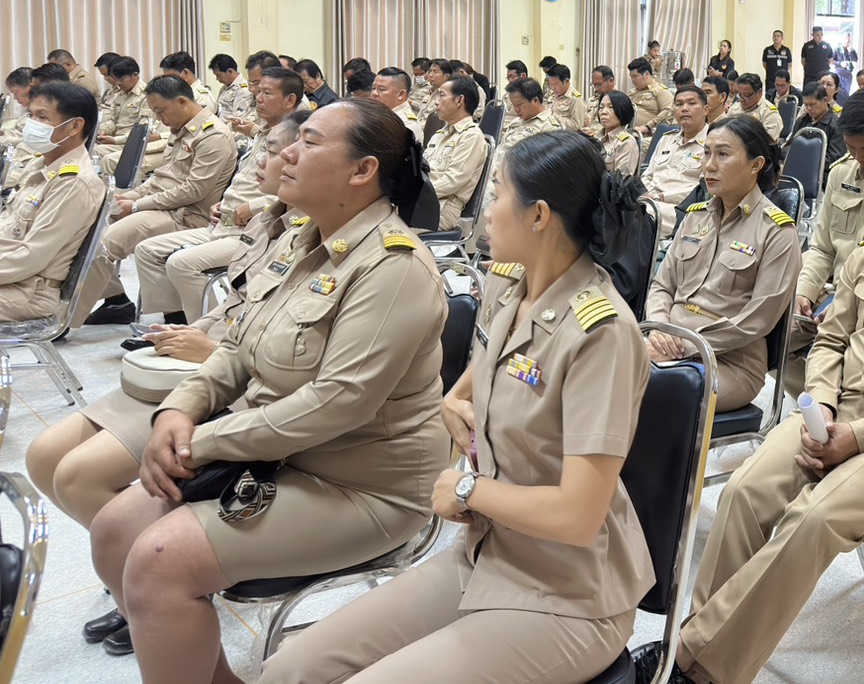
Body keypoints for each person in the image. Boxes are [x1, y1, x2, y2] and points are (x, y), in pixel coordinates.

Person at [257, 131, 651, 684]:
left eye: (496, 196)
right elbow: (480, 377)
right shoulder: (510, 285)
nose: (485, 214)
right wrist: (453, 400)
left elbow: (579, 516)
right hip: (489, 554)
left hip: (570, 592)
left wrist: (466, 489)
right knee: (290, 669)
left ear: (538, 216)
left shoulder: (601, 332)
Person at [631, 125, 864, 684]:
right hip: (837, 415)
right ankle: (706, 655)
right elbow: (831, 342)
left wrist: (855, 438)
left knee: (811, 517)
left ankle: (691, 660)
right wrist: (826, 412)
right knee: (742, 493)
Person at [87, 100, 448, 684]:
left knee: (161, 561)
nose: (287, 152)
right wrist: (180, 408)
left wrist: (199, 443)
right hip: (273, 452)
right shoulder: (302, 238)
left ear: (363, 172)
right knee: (113, 530)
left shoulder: (394, 267)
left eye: (308, 142)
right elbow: (237, 342)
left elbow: (337, 404)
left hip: (360, 483)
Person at [27, 114, 307, 653]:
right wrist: (195, 330)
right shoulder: (274, 222)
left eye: (278, 151)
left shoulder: (316, 239)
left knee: (79, 477)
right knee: (43, 458)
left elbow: (286, 353)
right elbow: (237, 302)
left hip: (230, 383)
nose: (264, 161)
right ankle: (129, 579)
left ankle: (145, 586)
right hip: (196, 371)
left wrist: (210, 349)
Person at [647, 116, 802, 411]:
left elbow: (758, 319)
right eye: (706, 153)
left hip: (730, 362)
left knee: (647, 389)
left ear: (756, 164)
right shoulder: (695, 217)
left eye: (723, 154)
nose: (709, 166)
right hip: (666, 341)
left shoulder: (776, 231)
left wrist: (685, 344)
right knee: (604, 366)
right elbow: (662, 285)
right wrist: (659, 328)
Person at [131, 67, 304, 323]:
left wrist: (254, 207)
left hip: (255, 231)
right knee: (147, 250)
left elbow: (301, 189)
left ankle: (203, 328)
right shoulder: (264, 133)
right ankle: (174, 321)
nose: (258, 97)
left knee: (181, 263)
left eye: (267, 92)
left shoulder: (296, 137)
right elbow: (244, 181)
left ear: (290, 100)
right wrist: (222, 203)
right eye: (258, 91)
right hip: (223, 223)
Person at [77, 75, 237, 326]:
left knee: (106, 242)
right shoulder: (181, 130)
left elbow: (193, 191)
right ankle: (115, 300)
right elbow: (160, 178)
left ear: (182, 101)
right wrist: (128, 197)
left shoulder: (212, 135)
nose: (159, 119)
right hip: (162, 207)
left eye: (161, 111)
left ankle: (64, 320)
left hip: (186, 216)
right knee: (88, 230)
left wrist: (137, 206)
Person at [792, 89, 864, 339]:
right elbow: (822, 249)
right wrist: (805, 292)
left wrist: (845, 306)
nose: (858, 157)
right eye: (849, 147)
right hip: (829, 293)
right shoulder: (841, 173)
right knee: (772, 331)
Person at [0, 83, 105, 323]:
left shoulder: (73, 183)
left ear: (75, 126)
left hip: (27, 291)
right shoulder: (42, 164)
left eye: (42, 117)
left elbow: (31, 257)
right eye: (31, 115)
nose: (32, 124)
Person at [642, 86, 709, 238]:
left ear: (705, 110)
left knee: (636, 216)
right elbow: (648, 174)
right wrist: (643, 193)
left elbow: (705, 190)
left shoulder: (713, 143)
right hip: (649, 201)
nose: (684, 108)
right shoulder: (666, 139)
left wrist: (662, 196)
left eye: (691, 103)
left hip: (680, 209)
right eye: (679, 104)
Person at [425, 76, 490, 230]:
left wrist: (417, 194)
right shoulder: (440, 134)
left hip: (444, 207)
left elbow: (453, 180)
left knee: (387, 228)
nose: (436, 101)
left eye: (441, 95)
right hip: (426, 201)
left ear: (459, 100)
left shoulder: (471, 136)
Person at [93, 55, 150, 173]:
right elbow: (113, 120)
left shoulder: (146, 95)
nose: (118, 83)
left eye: (121, 79)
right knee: (90, 149)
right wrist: (103, 131)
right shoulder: (120, 94)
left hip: (131, 143)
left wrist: (115, 140)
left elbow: (142, 131)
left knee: (96, 152)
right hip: (118, 140)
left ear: (135, 74)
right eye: (115, 78)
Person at [495, 78, 560, 166]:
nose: (516, 109)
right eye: (514, 105)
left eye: (519, 104)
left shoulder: (549, 128)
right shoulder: (516, 121)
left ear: (535, 100)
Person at [790, 83, 844, 169]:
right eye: (806, 104)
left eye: (812, 104)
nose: (809, 109)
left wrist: (805, 161)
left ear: (825, 100)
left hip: (822, 175)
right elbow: (791, 146)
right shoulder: (802, 121)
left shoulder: (836, 125)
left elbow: (834, 159)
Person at [596, 90, 642, 177]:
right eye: (601, 107)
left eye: (611, 107)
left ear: (623, 110)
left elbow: (621, 182)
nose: (604, 112)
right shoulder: (595, 138)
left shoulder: (626, 142)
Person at [731, 72, 783, 142]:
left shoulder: (769, 113)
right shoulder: (735, 107)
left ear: (759, 92)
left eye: (746, 95)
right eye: (739, 95)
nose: (741, 99)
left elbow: (766, 142)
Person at [628, 56, 675, 133]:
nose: (633, 80)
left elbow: (668, 110)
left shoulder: (659, 90)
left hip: (647, 135)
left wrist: (648, 126)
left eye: (635, 76)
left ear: (646, 74)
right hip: (629, 132)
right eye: (631, 77)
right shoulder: (633, 92)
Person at [208, 54, 255, 125]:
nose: (217, 79)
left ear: (230, 71)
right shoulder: (225, 88)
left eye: (219, 75)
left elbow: (237, 119)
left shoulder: (243, 90)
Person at [544, 63, 588, 132]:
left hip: (566, 138)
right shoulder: (552, 95)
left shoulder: (575, 99)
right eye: (550, 84)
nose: (553, 88)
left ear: (566, 81)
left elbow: (577, 126)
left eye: (556, 84)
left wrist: (554, 116)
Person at [761, 31, 793, 97]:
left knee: (783, 95)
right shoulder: (767, 50)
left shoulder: (786, 50)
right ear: (772, 38)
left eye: (778, 36)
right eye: (774, 36)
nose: (776, 37)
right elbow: (764, 64)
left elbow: (789, 64)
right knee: (770, 95)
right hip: (770, 78)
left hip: (783, 79)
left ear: (782, 38)